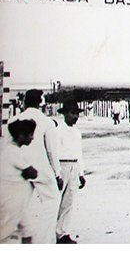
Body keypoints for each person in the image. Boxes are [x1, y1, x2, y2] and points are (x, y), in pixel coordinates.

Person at [13, 89, 62, 244]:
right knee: (52, 201)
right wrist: (57, 174)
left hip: (18, 168)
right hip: (41, 169)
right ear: (41, 103)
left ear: (25, 102)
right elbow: (52, 151)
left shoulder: (13, 121)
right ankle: (45, 241)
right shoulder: (46, 122)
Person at [0, 119, 38, 243]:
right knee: (4, 234)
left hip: (16, 200)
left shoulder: (9, 150)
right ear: (21, 135)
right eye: (30, 134)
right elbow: (33, 172)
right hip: (10, 201)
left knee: (28, 230)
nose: (32, 138)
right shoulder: (13, 152)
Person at [55, 100, 86, 244]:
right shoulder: (57, 131)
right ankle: (51, 232)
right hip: (61, 165)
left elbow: (78, 153)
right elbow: (53, 153)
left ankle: (62, 233)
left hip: (74, 166)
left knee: (69, 201)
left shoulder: (77, 133)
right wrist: (57, 174)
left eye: (77, 114)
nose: (75, 116)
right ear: (65, 114)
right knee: (56, 201)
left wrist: (81, 174)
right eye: (72, 113)